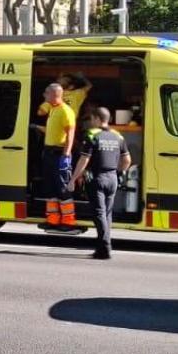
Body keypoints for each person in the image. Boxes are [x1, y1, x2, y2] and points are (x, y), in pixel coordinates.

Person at [72, 106, 132, 259]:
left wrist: (73, 179)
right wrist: (119, 172)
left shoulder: (92, 135)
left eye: (92, 119)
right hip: (112, 178)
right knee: (107, 214)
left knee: (99, 214)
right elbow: (127, 160)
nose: (91, 122)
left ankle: (105, 248)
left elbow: (84, 159)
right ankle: (101, 248)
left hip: (96, 178)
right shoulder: (118, 136)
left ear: (97, 119)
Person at [39, 82, 78, 230]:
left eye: (46, 93)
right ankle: (53, 219)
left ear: (55, 94)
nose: (44, 95)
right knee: (50, 188)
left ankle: (68, 222)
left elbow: (70, 134)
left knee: (62, 188)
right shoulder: (53, 109)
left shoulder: (65, 111)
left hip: (59, 154)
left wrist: (66, 155)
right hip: (49, 153)